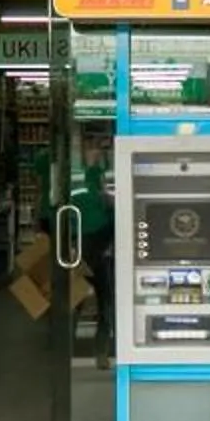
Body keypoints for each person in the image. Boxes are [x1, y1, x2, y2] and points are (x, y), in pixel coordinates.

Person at [70, 130, 116, 364]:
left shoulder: (81, 192)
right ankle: (91, 352)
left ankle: (91, 350)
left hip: (91, 252)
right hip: (92, 252)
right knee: (92, 302)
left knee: (90, 302)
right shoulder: (99, 194)